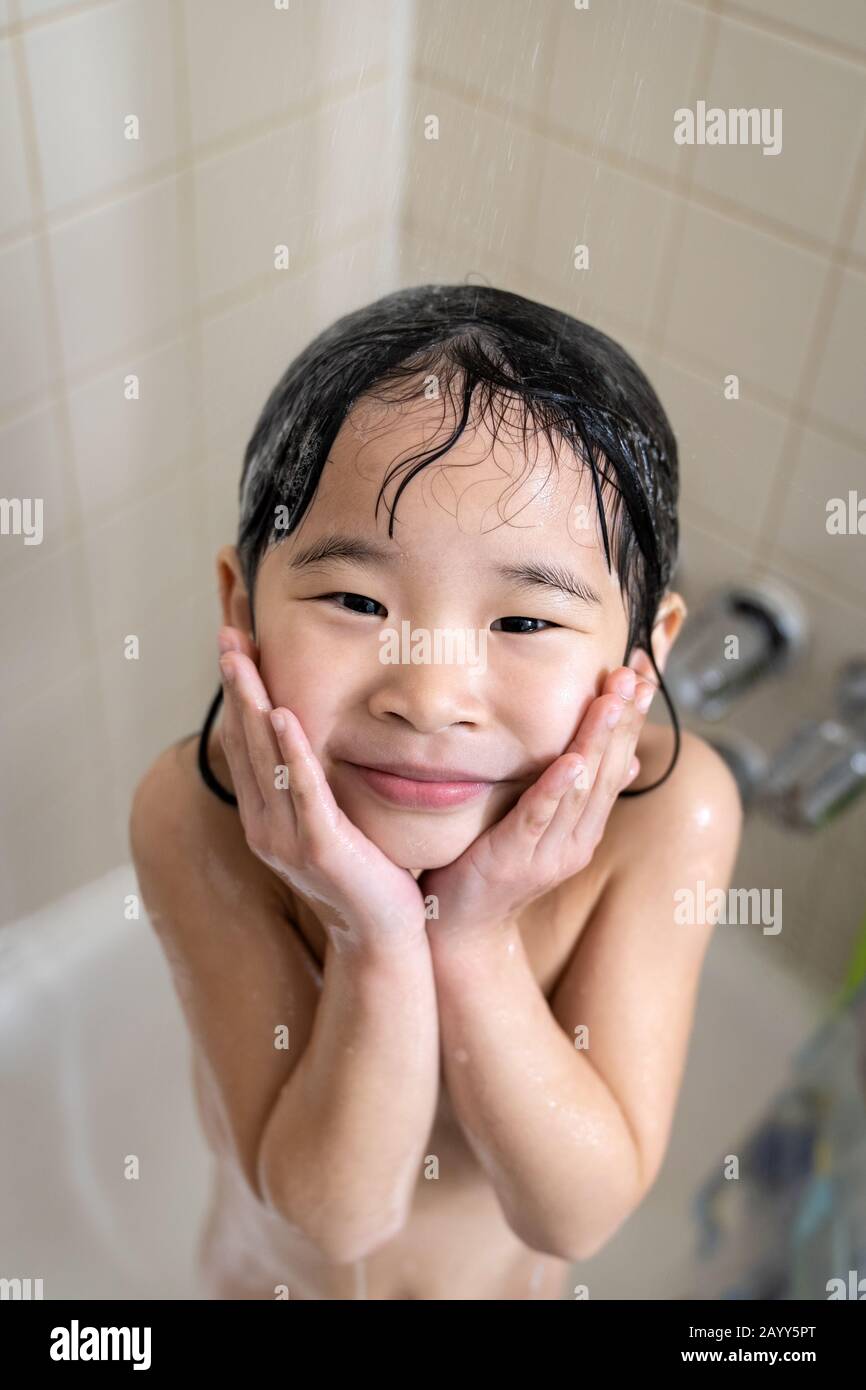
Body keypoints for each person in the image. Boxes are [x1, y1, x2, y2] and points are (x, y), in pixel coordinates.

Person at [129, 283, 742, 1300]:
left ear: (644, 649)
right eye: (356, 600)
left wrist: (473, 937)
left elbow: (574, 1213)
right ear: (241, 604)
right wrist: (369, 934)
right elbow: (334, 1211)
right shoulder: (199, 812)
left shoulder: (668, 819)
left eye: (523, 623)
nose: (428, 694)